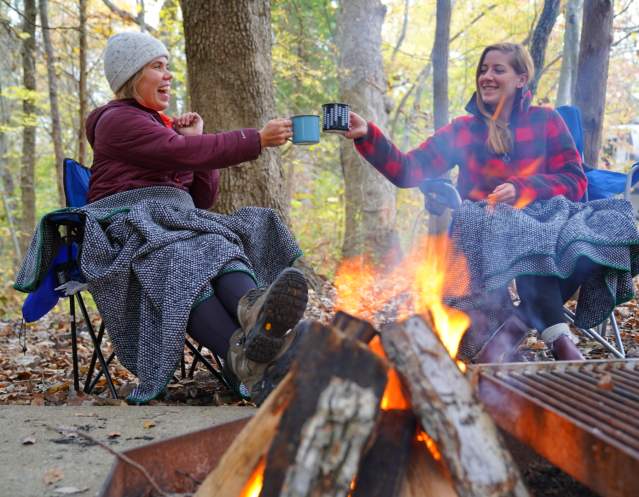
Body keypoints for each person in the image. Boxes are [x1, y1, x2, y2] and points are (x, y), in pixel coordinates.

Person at [19, 31, 308, 404]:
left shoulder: (161, 126)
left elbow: (201, 197)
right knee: (179, 258)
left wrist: (195, 138)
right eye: (157, 67)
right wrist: (254, 139)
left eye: (168, 66)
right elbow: (179, 153)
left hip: (176, 220)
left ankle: (254, 312)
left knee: (223, 236)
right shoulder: (116, 120)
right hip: (129, 225)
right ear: (131, 77)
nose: (168, 75)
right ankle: (246, 360)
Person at [345, 42, 639, 363]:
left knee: (611, 225)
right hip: (483, 230)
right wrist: (366, 135)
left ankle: (515, 328)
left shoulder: (546, 121)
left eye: (498, 69)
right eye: (483, 70)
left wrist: (523, 188)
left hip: (547, 221)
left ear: (521, 79)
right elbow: (407, 171)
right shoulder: (464, 130)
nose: (486, 76)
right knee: (514, 229)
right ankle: (556, 339)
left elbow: (575, 180)